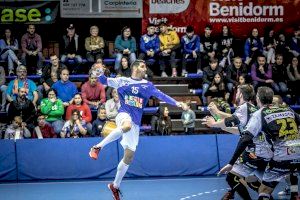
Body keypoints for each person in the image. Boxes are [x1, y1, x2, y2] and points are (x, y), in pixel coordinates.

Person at [90, 60, 182, 199]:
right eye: (143, 66)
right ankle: (97, 147)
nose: (145, 69)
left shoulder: (147, 85)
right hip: (123, 114)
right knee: (125, 126)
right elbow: (104, 80)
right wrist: (98, 72)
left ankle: (114, 186)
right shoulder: (122, 81)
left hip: (136, 123)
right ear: (135, 68)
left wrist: (177, 103)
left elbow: (161, 96)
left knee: (129, 157)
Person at [218, 87, 300, 200]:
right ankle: (294, 194)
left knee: (264, 191)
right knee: (291, 172)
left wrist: (231, 163)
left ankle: (291, 193)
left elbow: (245, 138)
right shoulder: (288, 109)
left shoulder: (259, 113)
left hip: (278, 156)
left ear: (257, 98)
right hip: (297, 154)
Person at [202, 85, 263, 200]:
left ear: (241, 95)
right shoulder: (251, 108)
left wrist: (214, 121)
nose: (236, 95)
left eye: (237, 92)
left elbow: (231, 120)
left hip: (254, 150)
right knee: (250, 179)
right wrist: (218, 119)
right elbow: (238, 129)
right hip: (259, 149)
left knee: (232, 177)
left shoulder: (244, 107)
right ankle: (265, 195)